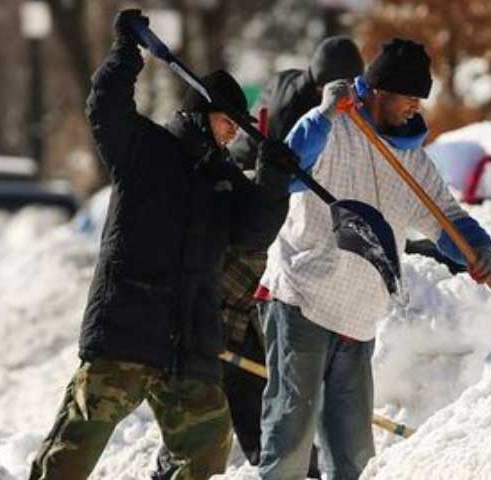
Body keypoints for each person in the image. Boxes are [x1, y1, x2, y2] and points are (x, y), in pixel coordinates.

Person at [28, 9, 296, 480]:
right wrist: (124, 53)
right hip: (129, 326)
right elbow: (105, 108)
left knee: (207, 451)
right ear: (200, 112)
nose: (233, 132)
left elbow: (253, 231)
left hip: (190, 341)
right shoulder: (144, 150)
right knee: (76, 444)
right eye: (226, 122)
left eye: (238, 126)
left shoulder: (224, 181)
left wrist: (274, 180)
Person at [257, 38, 491, 479]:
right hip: (302, 300)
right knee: (289, 441)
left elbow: (445, 219)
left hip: (358, 317)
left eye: (419, 98)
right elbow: (285, 173)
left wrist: (478, 251)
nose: (415, 106)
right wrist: (324, 114)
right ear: (377, 91)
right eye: (408, 95)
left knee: (353, 457)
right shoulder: (332, 130)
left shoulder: (411, 158)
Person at [166, 36, 362, 480]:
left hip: (250, 291)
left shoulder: (263, 196)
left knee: (254, 396)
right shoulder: (293, 118)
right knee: (222, 406)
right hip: (221, 301)